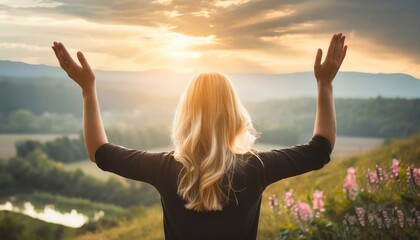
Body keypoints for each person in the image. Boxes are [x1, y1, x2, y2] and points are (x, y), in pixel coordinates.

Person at [52, 33, 347, 240]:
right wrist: (325, 85)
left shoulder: (166, 169)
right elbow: (320, 150)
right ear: (234, 116)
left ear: (186, 117)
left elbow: (99, 153)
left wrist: (88, 88)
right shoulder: (255, 169)